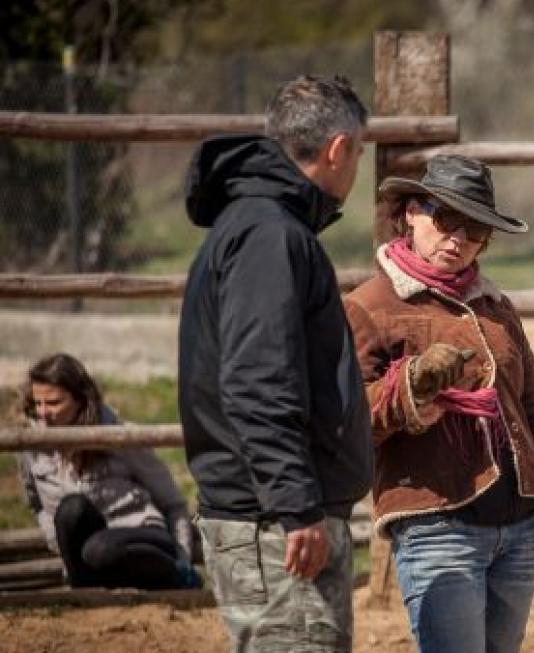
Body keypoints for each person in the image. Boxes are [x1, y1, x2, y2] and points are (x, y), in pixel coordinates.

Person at [343, 154, 534, 653]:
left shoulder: (497, 310)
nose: (457, 239)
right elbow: (348, 424)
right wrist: (410, 387)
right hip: (436, 525)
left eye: (476, 230)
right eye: (445, 220)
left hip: (520, 528)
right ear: (410, 214)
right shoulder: (368, 307)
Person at [178, 75, 373, 653]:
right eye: (358, 152)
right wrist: (295, 506)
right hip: (274, 526)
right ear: (338, 149)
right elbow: (258, 380)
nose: (356, 167)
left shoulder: (260, 225)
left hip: (271, 515)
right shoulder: (270, 235)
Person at [16, 353, 198, 590]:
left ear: (80, 400)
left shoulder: (120, 437)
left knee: (99, 549)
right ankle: (84, 596)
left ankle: (173, 578)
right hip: (87, 559)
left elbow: (173, 504)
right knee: (72, 509)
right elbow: (37, 505)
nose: (43, 413)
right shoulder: (31, 447)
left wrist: (183, 559)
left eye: (53, 403)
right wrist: (56, 540)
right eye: (37, 403)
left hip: (141, 536)